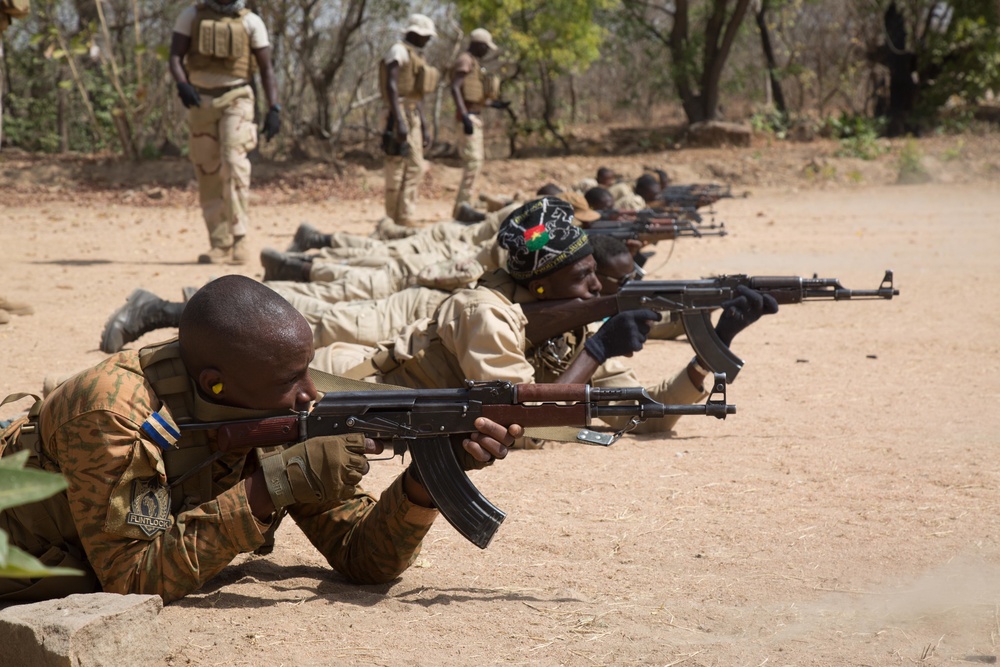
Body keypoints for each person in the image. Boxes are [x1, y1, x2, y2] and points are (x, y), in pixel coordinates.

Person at [0, 275, 520, 603]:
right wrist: (269, 489)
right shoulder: (112, 412)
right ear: (214, 384)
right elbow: (131, 578)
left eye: (308, 371)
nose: (309, 394)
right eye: (289, 380)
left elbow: (364, 556)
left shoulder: (270, 406)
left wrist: (424, 484)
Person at [311, 197, 777, 440]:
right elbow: (530, 418)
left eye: (595, 274)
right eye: (582, 279)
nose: (597, 289)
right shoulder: (482, 314)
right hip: (332, 385)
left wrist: (713, 346)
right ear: (540, 287)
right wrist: (596, 350)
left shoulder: (567, 329)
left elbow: (648, 414)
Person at [169, 0, 281, 265]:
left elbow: (266, 69)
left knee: (234, 163)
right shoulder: (192, 16)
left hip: (237, 97)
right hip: (201, 100)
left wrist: (274, 107)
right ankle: (219, 243)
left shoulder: (251, 21)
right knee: (207, 169)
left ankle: (240, 237)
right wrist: (182, 84)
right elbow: (175, 56)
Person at [381, 14, 439, 227]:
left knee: (415, 166)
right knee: (395, 167)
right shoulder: (398, 51)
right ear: (415, 33)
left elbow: (417, 95)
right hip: (397, 113)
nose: (428, 40)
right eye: (426, 36)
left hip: (412, 112)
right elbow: (391, 86)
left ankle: (404, 215)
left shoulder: (416, 56)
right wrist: (399, 121)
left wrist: (423, 125)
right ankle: (391, 220)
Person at [450, 28, 507, 221]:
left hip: (475, 115)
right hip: (468, 117)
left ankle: (466, 206)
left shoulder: (474, 63)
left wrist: (494, 104)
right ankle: (462, 209)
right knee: (472, 162)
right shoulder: (465, 60)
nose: (487, 52)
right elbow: (456, 87)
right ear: (479, 44)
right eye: (486, 47)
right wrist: (464, 116)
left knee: (476, 163)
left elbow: (473, 94)